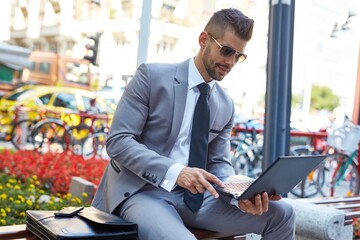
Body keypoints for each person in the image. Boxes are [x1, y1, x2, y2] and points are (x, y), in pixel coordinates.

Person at [92, 8, 295, 240]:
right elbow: (118, 142)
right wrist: (177, 172)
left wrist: (240, 194)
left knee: (284, 213)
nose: (230, 62)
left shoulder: (225, 104)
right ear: (204, 40)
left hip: (197, 199)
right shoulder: (151, 77)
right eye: (226, 50)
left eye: (238, 56)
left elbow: (218, 163)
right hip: (144, 192)